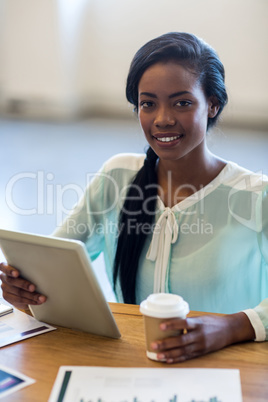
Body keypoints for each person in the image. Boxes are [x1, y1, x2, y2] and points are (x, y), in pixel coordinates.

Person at [0, 32, 267, 363]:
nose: (162, 119)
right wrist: (24, 288)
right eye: (147, 103)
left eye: (182, 102)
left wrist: (233, 327)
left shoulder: (257, 196)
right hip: (134, 360)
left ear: (212, 104)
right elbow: (55, 264)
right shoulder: (117, 177)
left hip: (230, 365)